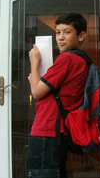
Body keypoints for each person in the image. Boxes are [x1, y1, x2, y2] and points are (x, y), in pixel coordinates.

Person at [27, 13, 88, 178]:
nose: (60, 37)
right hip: (58, 131)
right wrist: (35, 80)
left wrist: (34, 62)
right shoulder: (82, 60)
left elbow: (37, 92)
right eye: (58, 32)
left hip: (47, 130)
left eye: (67, 32)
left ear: (81, 35)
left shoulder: (66, 59)